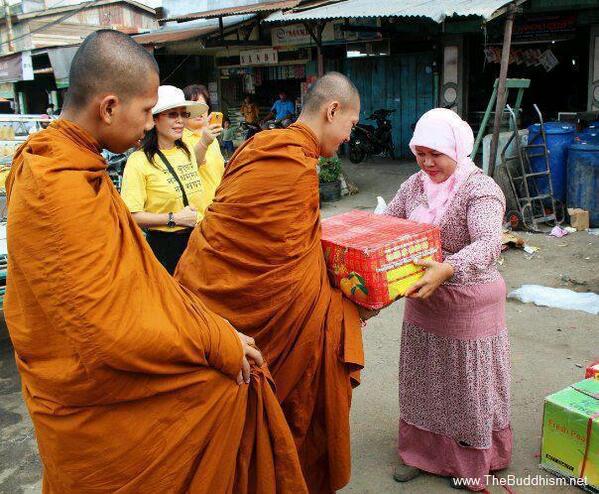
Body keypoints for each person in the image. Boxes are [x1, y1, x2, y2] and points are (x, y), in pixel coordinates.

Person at [3, 29, 307, 494]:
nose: (150, 124)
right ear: (108, 107)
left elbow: (135, 280)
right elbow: (104, 326)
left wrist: (210, 326)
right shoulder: (55, 182)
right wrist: (215, 341)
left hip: (90, 369)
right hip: (90, 402)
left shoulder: (71, 164)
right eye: (147, 112)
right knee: (225, 390)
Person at [175, 72, 378, 494]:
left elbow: (286, 246)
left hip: (206, 291)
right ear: (332, 110)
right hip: (260, 319)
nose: (347, 137)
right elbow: (278, 261)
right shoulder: (291, 163)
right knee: (318, 348)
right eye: (350, 127)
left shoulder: (260, 146)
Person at [384, 108, 511, 491]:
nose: (426, 162)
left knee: (464, 386)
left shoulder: (480, 188)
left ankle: (469, 459)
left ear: (456, 148)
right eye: (419, 153)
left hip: (470, 301)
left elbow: (490, 243)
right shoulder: (414, 185)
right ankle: (421, 454)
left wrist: (448, 267)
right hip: (424, 297)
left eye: (435, 153)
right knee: (423, 380)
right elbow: (389, 224)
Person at [120, 85, 208, 275]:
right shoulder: (138, 161)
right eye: (172, 115)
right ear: (154, 120)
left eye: (182, 115)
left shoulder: (186, 152)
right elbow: (131, 216)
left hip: (198, 242)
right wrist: (174, 218)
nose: (179, 121)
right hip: (165, 249)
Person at [181, 84, 225, 210]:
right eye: (194, 107)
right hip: (197, 214)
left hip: (218, 209)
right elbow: (189, 167)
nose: (199, 112)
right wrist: (204, 142)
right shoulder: (179, 138)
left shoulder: (212, 138)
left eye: (203, 106)